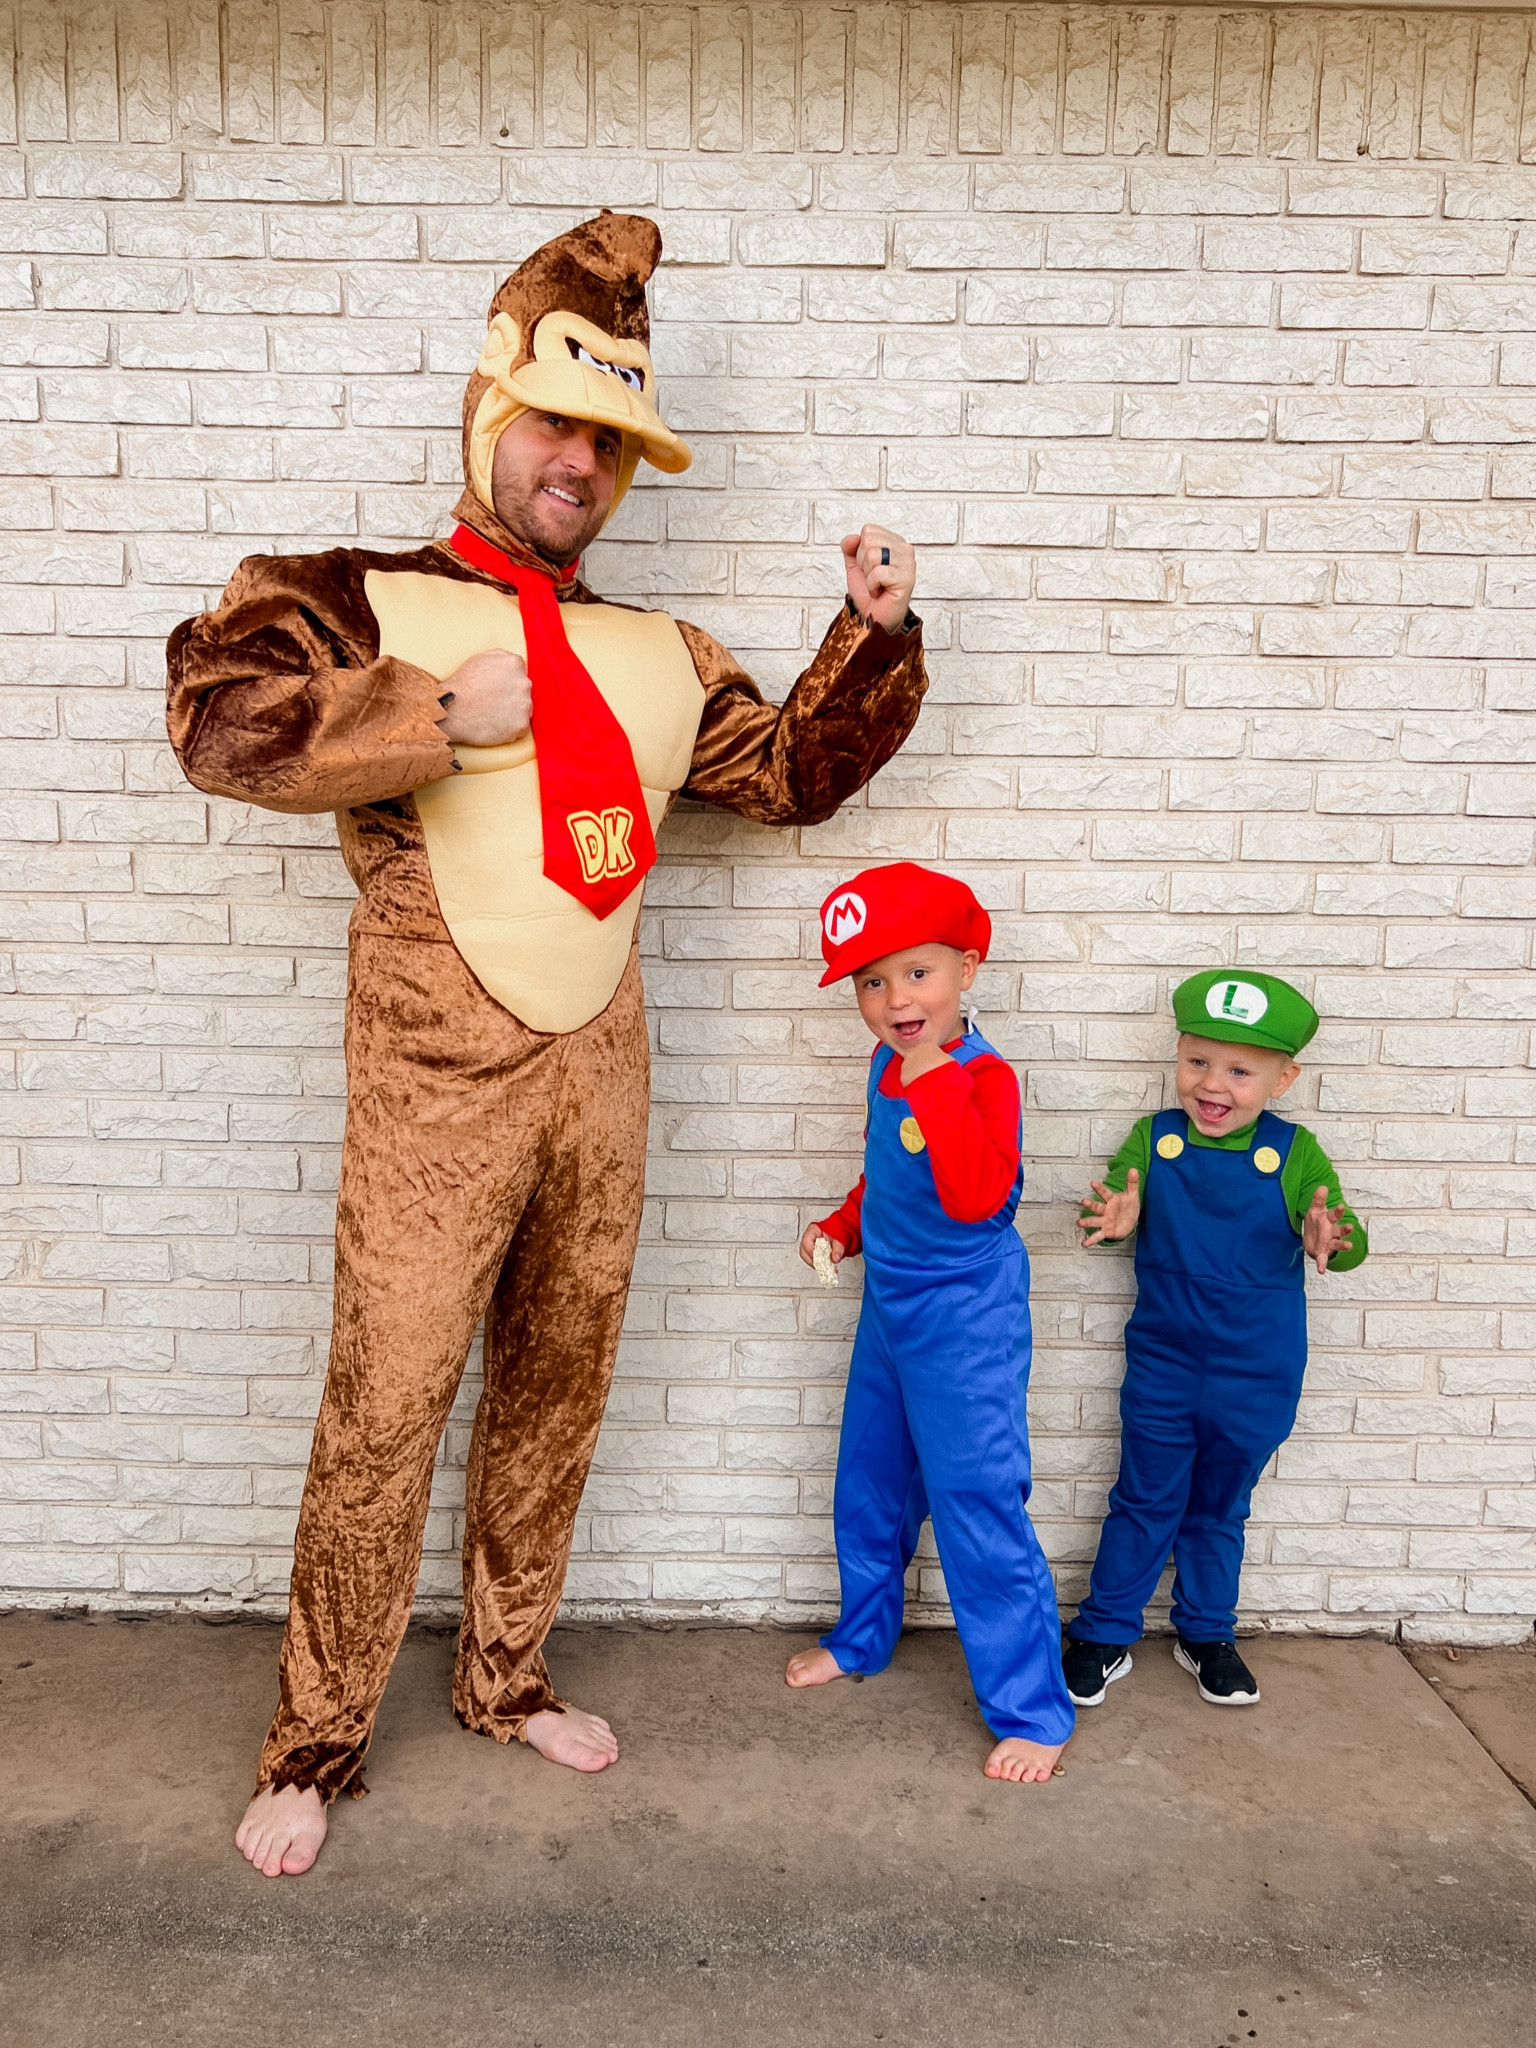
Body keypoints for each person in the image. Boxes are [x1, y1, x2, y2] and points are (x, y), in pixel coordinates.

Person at [166, 212, 928, 1878]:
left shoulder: (661, 653)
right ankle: (316, 1739)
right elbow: (217, 720)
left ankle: (505, 1673)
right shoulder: (347, 600)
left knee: (559, 1383)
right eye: (556, 425)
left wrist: (868, 630)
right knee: (386, 1402)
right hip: (435, 1074)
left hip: (607, 1070)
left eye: (608, 440)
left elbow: (789, 771)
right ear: (488, 411)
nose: (578, 462)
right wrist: (429, 717)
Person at [787, 863, 1075, 1785]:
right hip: (892, 1305)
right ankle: (864, 1635)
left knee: (976, 1501)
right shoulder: (885, 1066)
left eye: (917, 973)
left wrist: (935, 1083)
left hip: (966, 1313)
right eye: (872, 981)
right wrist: (843, 1226)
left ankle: (1034, 1710)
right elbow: (890, 1179)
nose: (895, 999)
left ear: (967, 969)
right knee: (869, 1480)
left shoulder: (981, 1078)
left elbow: (977, 1193)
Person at [1065, 970, 1368, 1711]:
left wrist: (1331, 1237)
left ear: (1282, 1077)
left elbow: (1340, 1238)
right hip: (1166, 1362)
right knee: (1145, 1496)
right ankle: (1105, 1632)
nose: (1214, 1085)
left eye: (1240, 1070)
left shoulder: (1295, 1154)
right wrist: (1116, 1216)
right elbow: (1111, 1203)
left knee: (1220, 1505)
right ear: (1178, 1055)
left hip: (1256, 1373)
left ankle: (1205, 1632)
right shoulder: (1156, 1139)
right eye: (1198, 1061)